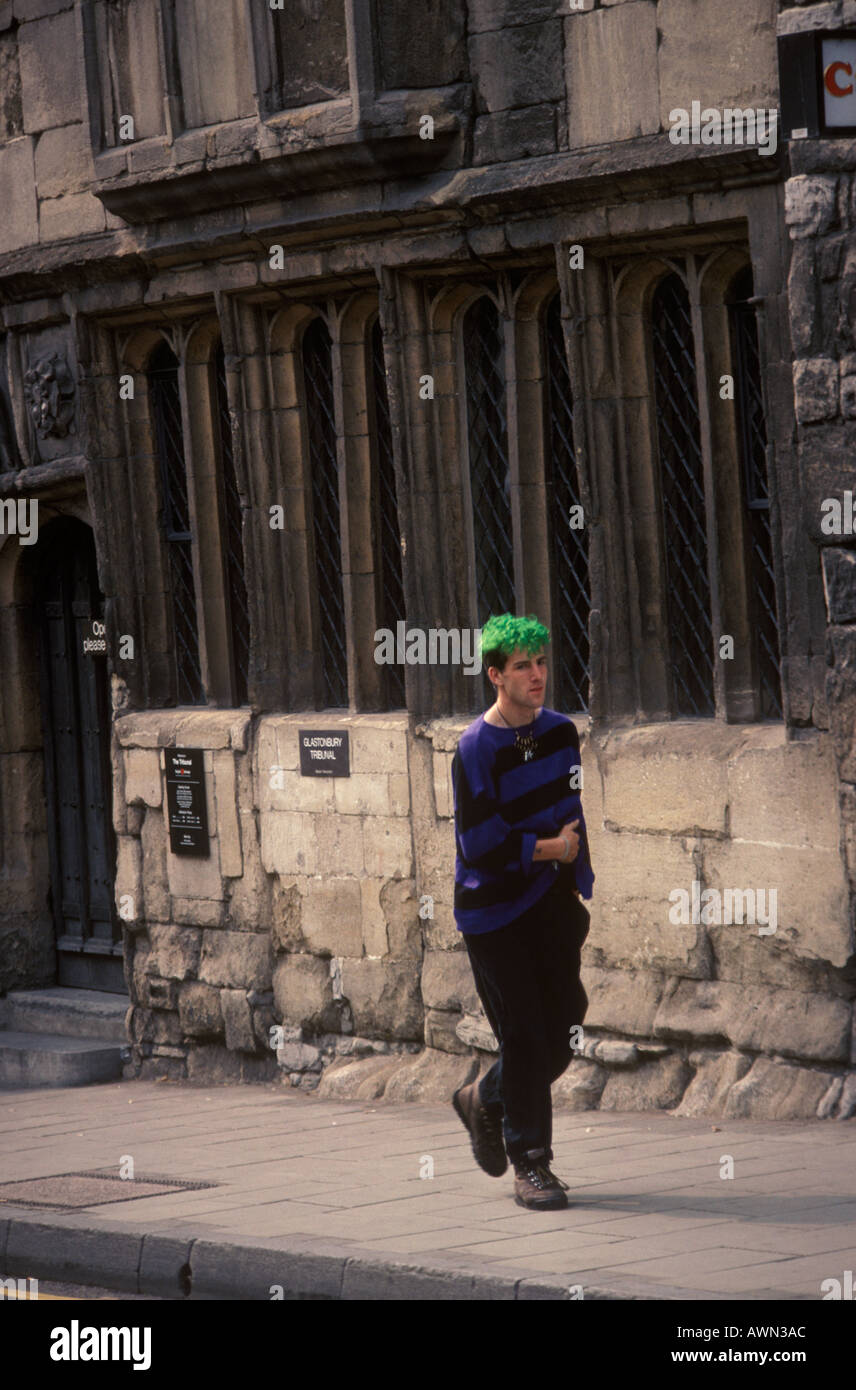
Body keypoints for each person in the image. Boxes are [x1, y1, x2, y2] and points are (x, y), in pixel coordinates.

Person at [450, 613, 595, 1211]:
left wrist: (574, 876)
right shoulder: (474, 749)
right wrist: (549, 848)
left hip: (552, 903)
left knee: (566, 1027)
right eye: (521, 667)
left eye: (541, 662)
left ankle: (484, 1094)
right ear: (495, 676)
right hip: (495, 914)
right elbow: (479, 843)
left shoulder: (561, 732)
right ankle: (531, 1165)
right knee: (527, 1034)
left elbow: (569, 805)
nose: (537, 675)